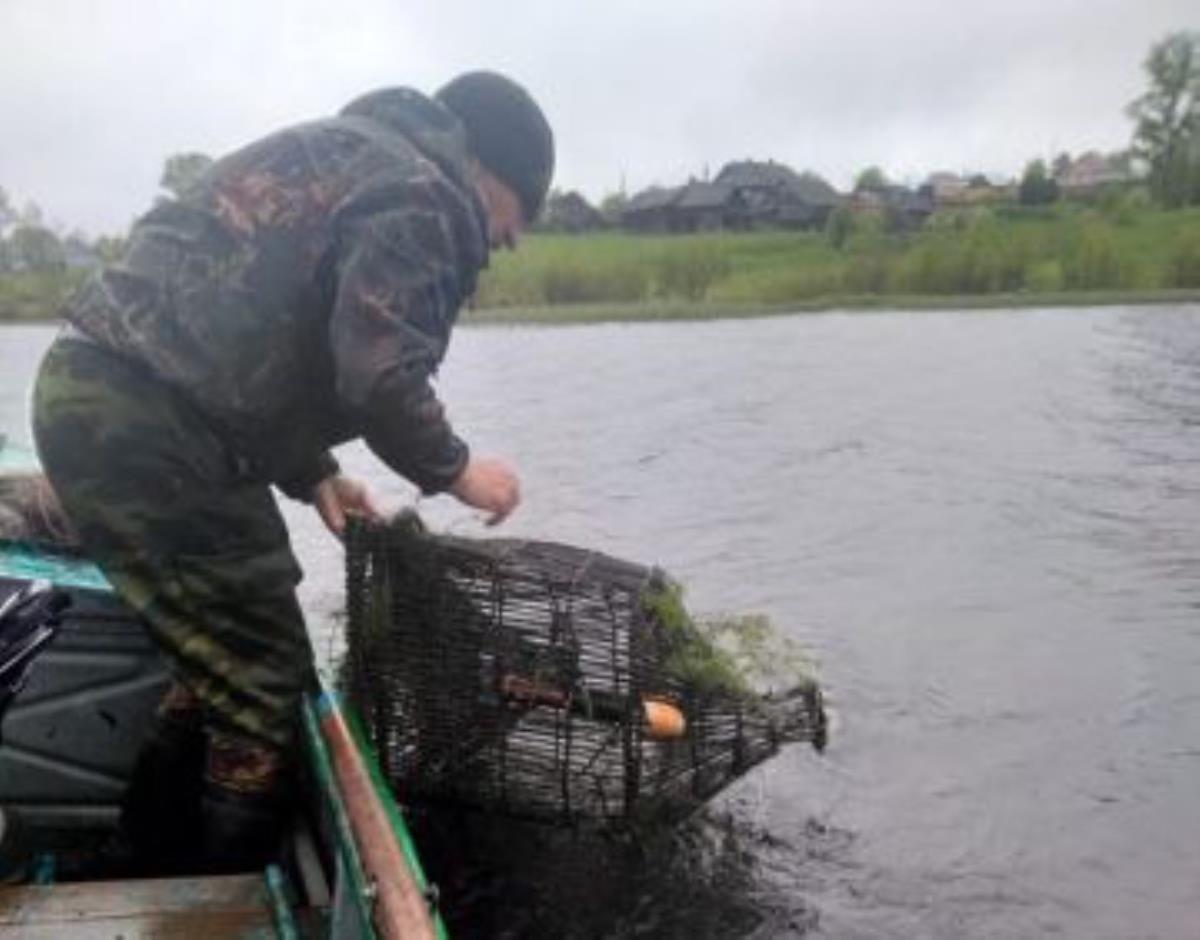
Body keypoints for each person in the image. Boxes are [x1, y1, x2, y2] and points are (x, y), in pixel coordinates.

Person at [31, 71, 554, 870]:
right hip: (148, 427)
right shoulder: (427, 196)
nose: (506, 242)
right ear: (489, 172)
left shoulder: (357, 159)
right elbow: (379, 374)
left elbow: (249, 340)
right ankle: (210, 892)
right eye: (516, 218)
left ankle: (138, 861)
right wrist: (458, 472)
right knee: (267, 696)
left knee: (229, 663)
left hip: (105, 399)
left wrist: (314, 472)